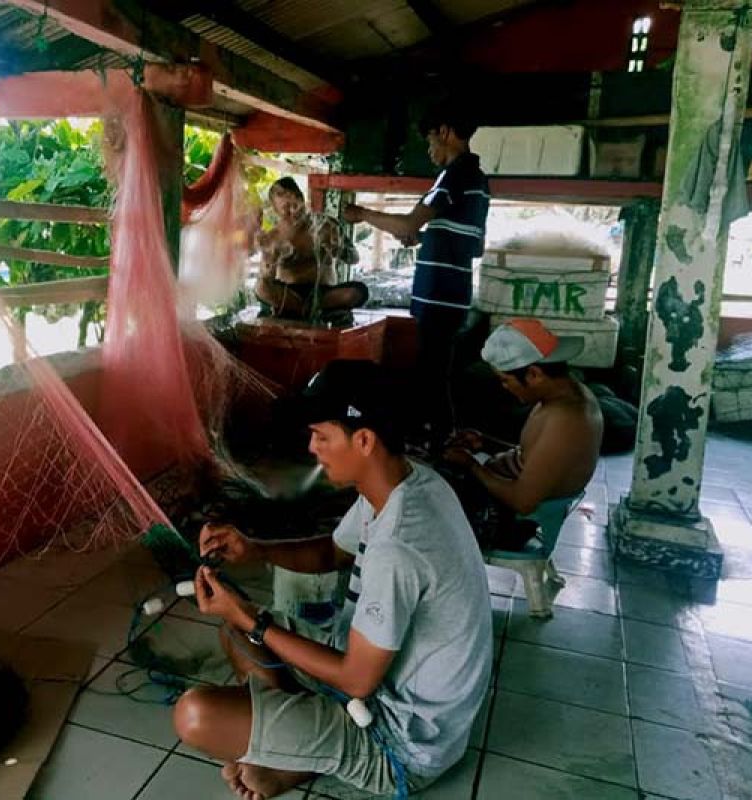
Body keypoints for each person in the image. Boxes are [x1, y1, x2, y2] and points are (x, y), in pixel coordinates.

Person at [172, 360, 493, 800]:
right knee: (236, 636)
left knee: (195, 716)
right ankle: (294, 752)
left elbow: (357, 681)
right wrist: (256, 549)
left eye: (322, 436)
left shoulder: (399, 546)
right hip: (366, 679)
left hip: (401, 746)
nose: (312, 448)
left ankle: (295, 754)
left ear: (363, 440)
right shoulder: (410, 482)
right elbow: (331, 552)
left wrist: (253, 619)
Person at [343, 101, 489, 444]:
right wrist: (426, 238)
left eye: (429, 140)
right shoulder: (478, 180)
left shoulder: (455, 174)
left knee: (431, 374)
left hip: (439, 291)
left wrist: (363, 213)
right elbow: (473, 245)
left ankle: (436, 441)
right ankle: (439, 437)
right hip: (453, 290)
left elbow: (408, 221)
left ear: (446, 132)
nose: (429, 150)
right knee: (436, 372)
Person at [442, 319, 604, 549]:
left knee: (424, 492)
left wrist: (471, 465)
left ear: (534, 374)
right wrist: (484, 443)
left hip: (511, 522)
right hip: (508, 496)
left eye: (505, 380)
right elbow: (537, 456)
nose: (504, 387)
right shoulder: (562, 396)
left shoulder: (567, 420)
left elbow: (522, 502)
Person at [255, 178, 368, 320]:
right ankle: (305, 308)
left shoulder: (327, 225)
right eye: (286, 209)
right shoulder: (273, 237)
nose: (293, 211)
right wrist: (269, 262)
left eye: (295, 205)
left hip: (325, 294)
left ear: (302, 199)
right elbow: (265, 280)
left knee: (358, 292)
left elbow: (354, 258)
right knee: (261, 288)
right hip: (289, 294)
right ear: (276, 210)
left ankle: (307, 309)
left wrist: (338, 249)